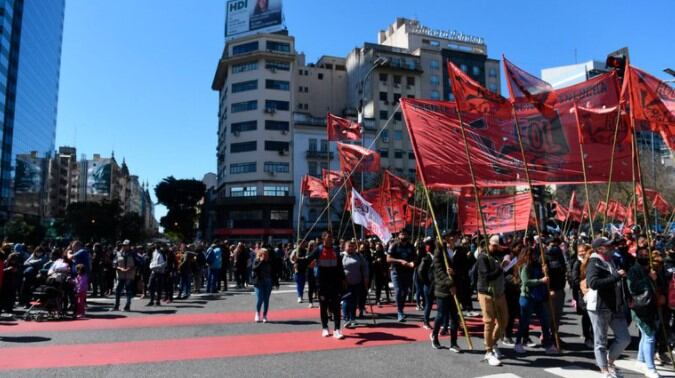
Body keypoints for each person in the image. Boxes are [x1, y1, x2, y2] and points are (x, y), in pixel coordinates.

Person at [586, 237, 631, 378]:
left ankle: (610, 362)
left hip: (615, 305)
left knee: (624, 338)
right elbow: (593, 283)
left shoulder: (610, 260)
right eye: (608, 245)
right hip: (599, 306)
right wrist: (616, 276)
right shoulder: (594, 263)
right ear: (600, 249)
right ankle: (604, 370)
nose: (612, 247)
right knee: (601, 341)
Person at [513, 246, 555, 355]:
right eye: (532, 254)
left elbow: (544, 278)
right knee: (524, 322)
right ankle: (518, 343)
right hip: (527, 297)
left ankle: (547, 344)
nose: (534, 256)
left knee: (545, 321)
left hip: (538, 297)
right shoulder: (524, 266)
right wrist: (541, 280)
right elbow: (526, 281)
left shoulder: (537, 265)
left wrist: (544, 271)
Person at [627, 247, 662, 378]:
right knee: (650, 336)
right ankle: (650, 367)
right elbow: (633, 287)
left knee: (645, 335)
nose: (644, 257)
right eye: (641, 255)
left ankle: (641, 359)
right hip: (640, 308)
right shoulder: (633, 270)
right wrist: (649, 278)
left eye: (646, 255)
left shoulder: (652, 268)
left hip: (652, 307)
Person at [477, 235, 509, 366]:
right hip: (486, 293)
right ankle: (488, 351)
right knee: (489, 322)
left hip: (500, 293)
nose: (500, 249)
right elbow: (486, 276)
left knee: (504, 320)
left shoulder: (497, 255)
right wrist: (500, 268)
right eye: (498, 247)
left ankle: (493, 341)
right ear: (493, 245)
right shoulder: (482, 257)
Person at [307, 231, 346, 339]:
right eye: (329, 237)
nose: (331, 239)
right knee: (323, 306)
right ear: (323, 238)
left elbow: (340, 266)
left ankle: (337, 329)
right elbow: (308, 260)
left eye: (331, 237)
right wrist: (298, 260)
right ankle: (325, 328)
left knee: (336, 306)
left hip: (334, 283)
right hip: (322, 283)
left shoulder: (335, 250)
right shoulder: (318, 250)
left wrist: (343, 279)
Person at [430, 237, 462, 352]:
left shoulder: (458, 251)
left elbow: (462, 268)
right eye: (450, 238)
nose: (453, 239)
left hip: (455, 288)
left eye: (454, 238)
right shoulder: (439, 252)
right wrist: (450, 284)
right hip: (443, 289)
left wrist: (455, 273)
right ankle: (434, 336)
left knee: (455, 316)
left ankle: (453, 343)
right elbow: (438, 271)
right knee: (441, 315)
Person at [387, 230, 417, 322]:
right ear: (399, 235)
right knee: (399, 291)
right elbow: (388, 259)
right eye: (402, 234)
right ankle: (399, 312)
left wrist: (413, 263)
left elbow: (415, 258)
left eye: (405, 233)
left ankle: (401, 309)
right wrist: (400, 261)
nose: (403, 235)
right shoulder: (394, 245)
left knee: (405, 291)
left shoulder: (411, 246)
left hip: (407, 272)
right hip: (396, 271)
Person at [341, 240, 369, 328]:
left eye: (352, 246)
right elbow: (338, 269)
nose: (351, 248)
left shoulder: (358, 255)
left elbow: (365, 267)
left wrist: (366, 278)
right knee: (346, 300)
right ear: (344, 247)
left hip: (357, 282)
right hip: (345, 283)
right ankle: (346, 318)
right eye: (349, 246)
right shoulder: (341, 256)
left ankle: (353, 318)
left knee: (354, 301)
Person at [572, 243, 594, 348]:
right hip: (582, 292)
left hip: (592, 291)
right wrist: (583, 283)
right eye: (580, 251)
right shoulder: (577, 263)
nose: (582, 253)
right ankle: (587, 337)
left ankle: (592, 335)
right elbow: (574, 279)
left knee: (592, 315)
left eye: (583, 251)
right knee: (586, 314)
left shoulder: (590, 262)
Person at [417, 237, 435, 329]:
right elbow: (420, 271)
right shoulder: (426, 257)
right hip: (429, 284)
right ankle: (426, 321)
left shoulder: (438, 255)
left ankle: (444, 322)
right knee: (428, 303)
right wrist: (426, 282)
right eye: (429, 244)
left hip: (436, 284)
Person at [113, 240, 136, 312]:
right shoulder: (118, 253)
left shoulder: (133, 254)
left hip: (129, 275)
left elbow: (138, 263)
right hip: (120, 275)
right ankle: (116, 306)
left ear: (129, 246)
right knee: (117, 290)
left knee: (128, 291)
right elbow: (114, 264)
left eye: (126, 245)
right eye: (123, 245)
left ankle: (127, 306)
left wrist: (130, 269)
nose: (125, 246)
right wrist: (120, 268)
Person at [252, 248, 273, 323]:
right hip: (259, 282)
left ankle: (265, 315)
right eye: (264, 254)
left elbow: (273, 272)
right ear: (260, 254)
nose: (266, 255)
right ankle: (257, 313)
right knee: (260, 298)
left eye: (267, 254)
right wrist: (261, 261)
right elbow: (254, 269)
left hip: (268, 281)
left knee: (266, 299)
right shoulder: (257, 260)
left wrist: (275, 282)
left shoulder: (270, 261)